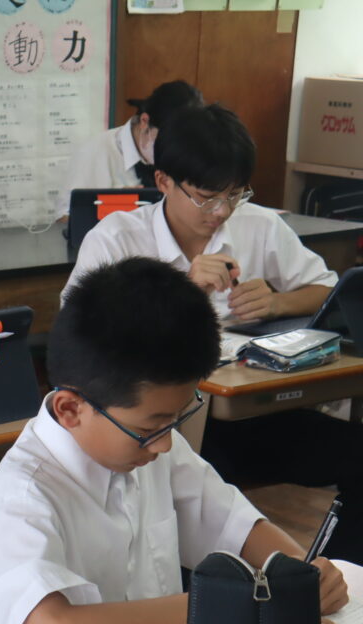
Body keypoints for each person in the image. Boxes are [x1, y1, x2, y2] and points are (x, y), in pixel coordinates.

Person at [0, 257, 348, 624]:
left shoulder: (147, 448)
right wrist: (232, 604)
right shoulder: (22, 495)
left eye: (176, 419)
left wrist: (300, 576)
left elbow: (233, 525)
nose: (165, 444)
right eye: (151, 426)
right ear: (70, 409)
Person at [64, 103, 363, 563]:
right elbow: (80, 339)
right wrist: (184, 293)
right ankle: (204, 589)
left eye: (234, 194)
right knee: (194, 500)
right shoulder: (117, 239)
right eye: (206, 197)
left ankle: (337, 575)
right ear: (164, 181)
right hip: (159, 427)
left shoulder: (259, 224)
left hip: (250, 415)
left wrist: (278, 302)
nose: (221, 211)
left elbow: (328, 288)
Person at [54, 80, 203, 222]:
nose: (174, 149)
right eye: (168, 139)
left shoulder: (192, 153)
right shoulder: (95, 152)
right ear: (144, 122)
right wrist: (111, 209)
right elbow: (64, 219)